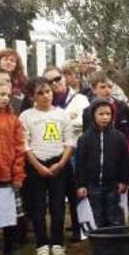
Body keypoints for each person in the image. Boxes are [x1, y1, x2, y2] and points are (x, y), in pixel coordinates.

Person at [19, 77, 75, 255]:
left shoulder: (62, 114)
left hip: (59, 164)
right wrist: (38, 166)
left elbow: (69, 142)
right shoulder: (26, 116)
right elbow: (24, 145)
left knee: (58, 205)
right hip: (36, 165)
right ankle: (42, 244)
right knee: (38, 206)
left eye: (48, 91)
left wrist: (61, 163)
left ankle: (57, 243)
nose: (45, 96)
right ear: (31, 96)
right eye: (40, 93)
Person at [45, 65, 88, 241]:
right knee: (57, 194)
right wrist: (68, 119)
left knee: (77, 191)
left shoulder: (80, 99)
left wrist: (61, 121)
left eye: (57, 78)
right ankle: (57, 234)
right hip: (55, 153)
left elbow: (84, 121)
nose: (55, 84)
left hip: (76, 152)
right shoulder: (45, 102)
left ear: (63, 78)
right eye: (50, 81)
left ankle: (80, 229)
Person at [76, 99, 129, 228]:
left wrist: (123, 181)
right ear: (93, 115)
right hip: (93, 186)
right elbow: (80, 164)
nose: (105, 117)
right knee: (97, 217)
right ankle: (99, 245)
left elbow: (124, 162)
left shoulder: (119, 137)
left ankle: (114, 245)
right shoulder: (85, 138)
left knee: (114, 218)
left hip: (113, 186)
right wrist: (81, 184)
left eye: (108, 114)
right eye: (101, 114)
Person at [0, 77, 26, 255]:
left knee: (8, 216)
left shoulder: (14, 120)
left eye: (8, 94)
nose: (6, 98)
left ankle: (10, 252)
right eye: (1, 94)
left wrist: (17, 175)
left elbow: (19, 149)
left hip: (6, 176)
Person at [81, 72, 129, 140]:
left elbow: (128, 131)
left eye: (110, 87)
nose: (107, 90)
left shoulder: (123, 107)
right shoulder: (88, 111)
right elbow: (86, 136)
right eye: (103, 87)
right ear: (94, 89)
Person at [0, 49, 28, 114]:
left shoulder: (22, 80)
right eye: (5, 59)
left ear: (16, 65)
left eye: (12, 61)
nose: (8, 62)